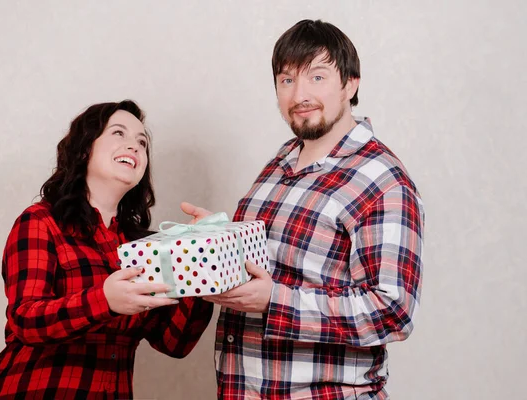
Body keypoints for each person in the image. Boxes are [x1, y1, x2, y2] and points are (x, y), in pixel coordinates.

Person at [182, 19, 425, 399]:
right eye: (286, 80)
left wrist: (274, 301)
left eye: (317, 77)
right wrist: (215, 239)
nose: (300, 95)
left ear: (351, 83)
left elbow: (392, 311)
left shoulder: (382, 180)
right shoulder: (281, 160)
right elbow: (270, 261)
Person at [0, 100, 213, 399]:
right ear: (85, 148)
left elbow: (174, 343)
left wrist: (205, 264)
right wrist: (104, 300)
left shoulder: (143, 248)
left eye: (142, 142)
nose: (135, 146)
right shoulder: (40, 221)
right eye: (119, 133)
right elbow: (26, 320)